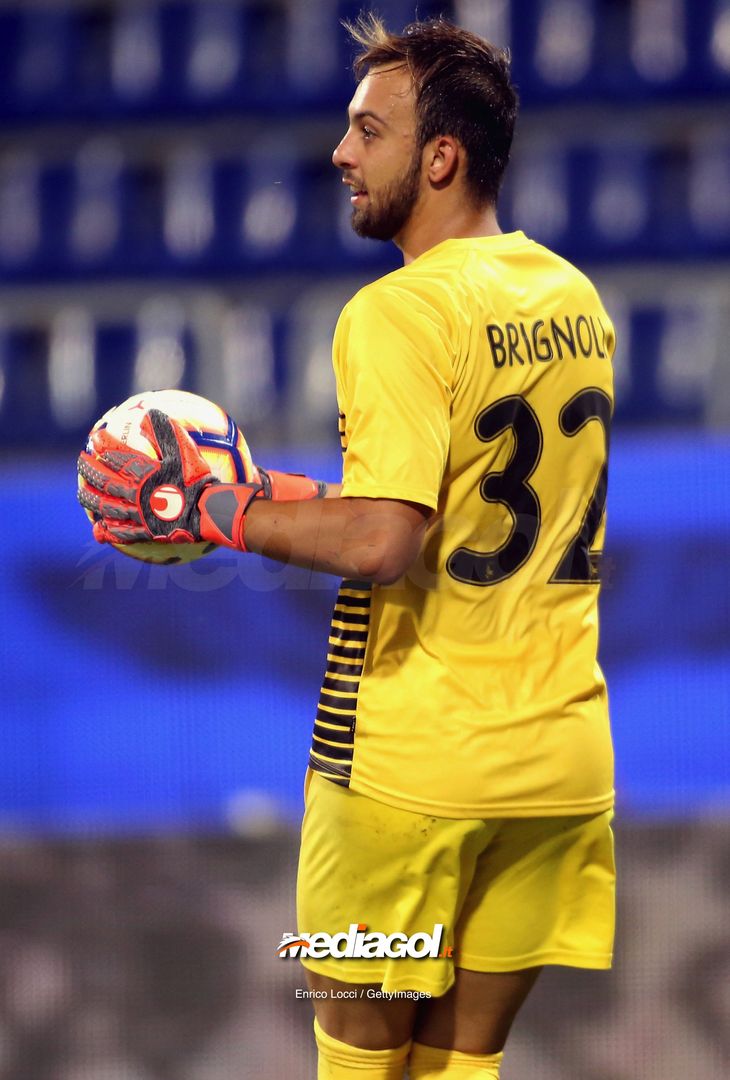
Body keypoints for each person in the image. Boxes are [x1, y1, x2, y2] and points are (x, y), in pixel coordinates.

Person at [78, 14, 616, 1080]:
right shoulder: (571, 295)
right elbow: (458, 507)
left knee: (363, 1066)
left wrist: (208, 511)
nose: (340, 153)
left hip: (405, 775)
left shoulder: (397, 313)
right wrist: (271, 491)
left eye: (368, 131)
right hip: (558, 770)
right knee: (463, 1070)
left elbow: (383, 541)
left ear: (441, 157)